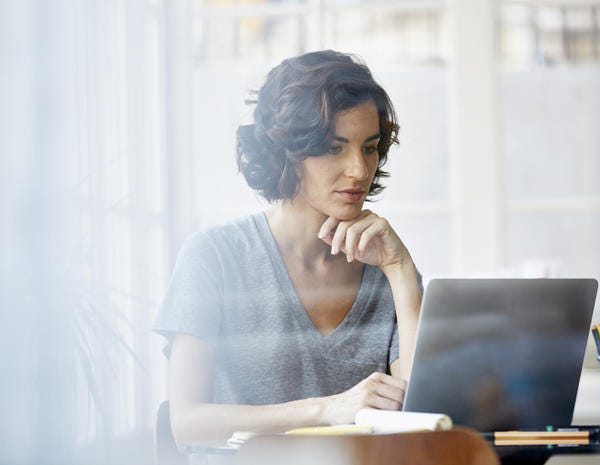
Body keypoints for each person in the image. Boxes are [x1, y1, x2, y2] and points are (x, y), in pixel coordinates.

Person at [154, 50, 423, 448]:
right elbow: (187, 422)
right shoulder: (214, 257)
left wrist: (401, 271)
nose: (360, 170)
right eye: (335, 148)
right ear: (287, 152)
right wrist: (327, 410)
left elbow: (420, 417)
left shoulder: (387, 266)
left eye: (369, 147)